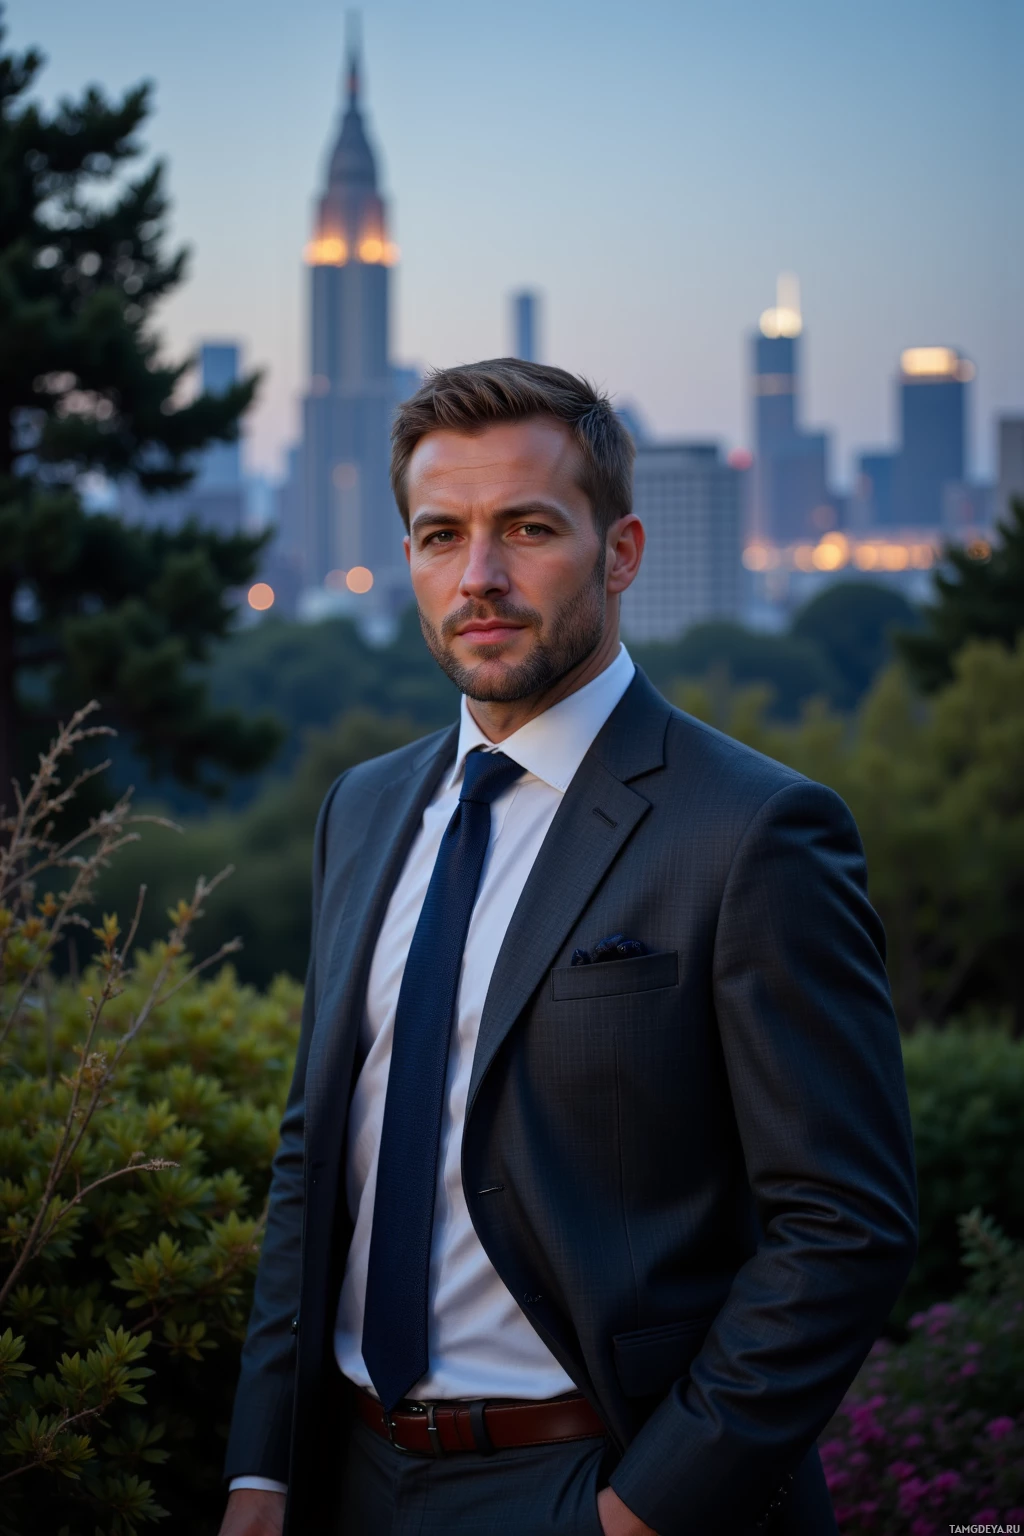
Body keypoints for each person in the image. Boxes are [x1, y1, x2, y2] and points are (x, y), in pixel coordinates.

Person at [219, 359, 918, 1536]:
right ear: (408, 561)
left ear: (621, 551)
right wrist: (262, 1473)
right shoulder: (366, 809)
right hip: (346, 1477)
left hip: (590, 1476)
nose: (478, 577)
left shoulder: (752, 831)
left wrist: (642, 1512)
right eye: (441, 535)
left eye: (527, 528)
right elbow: (315, 1155)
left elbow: (845, 1226)